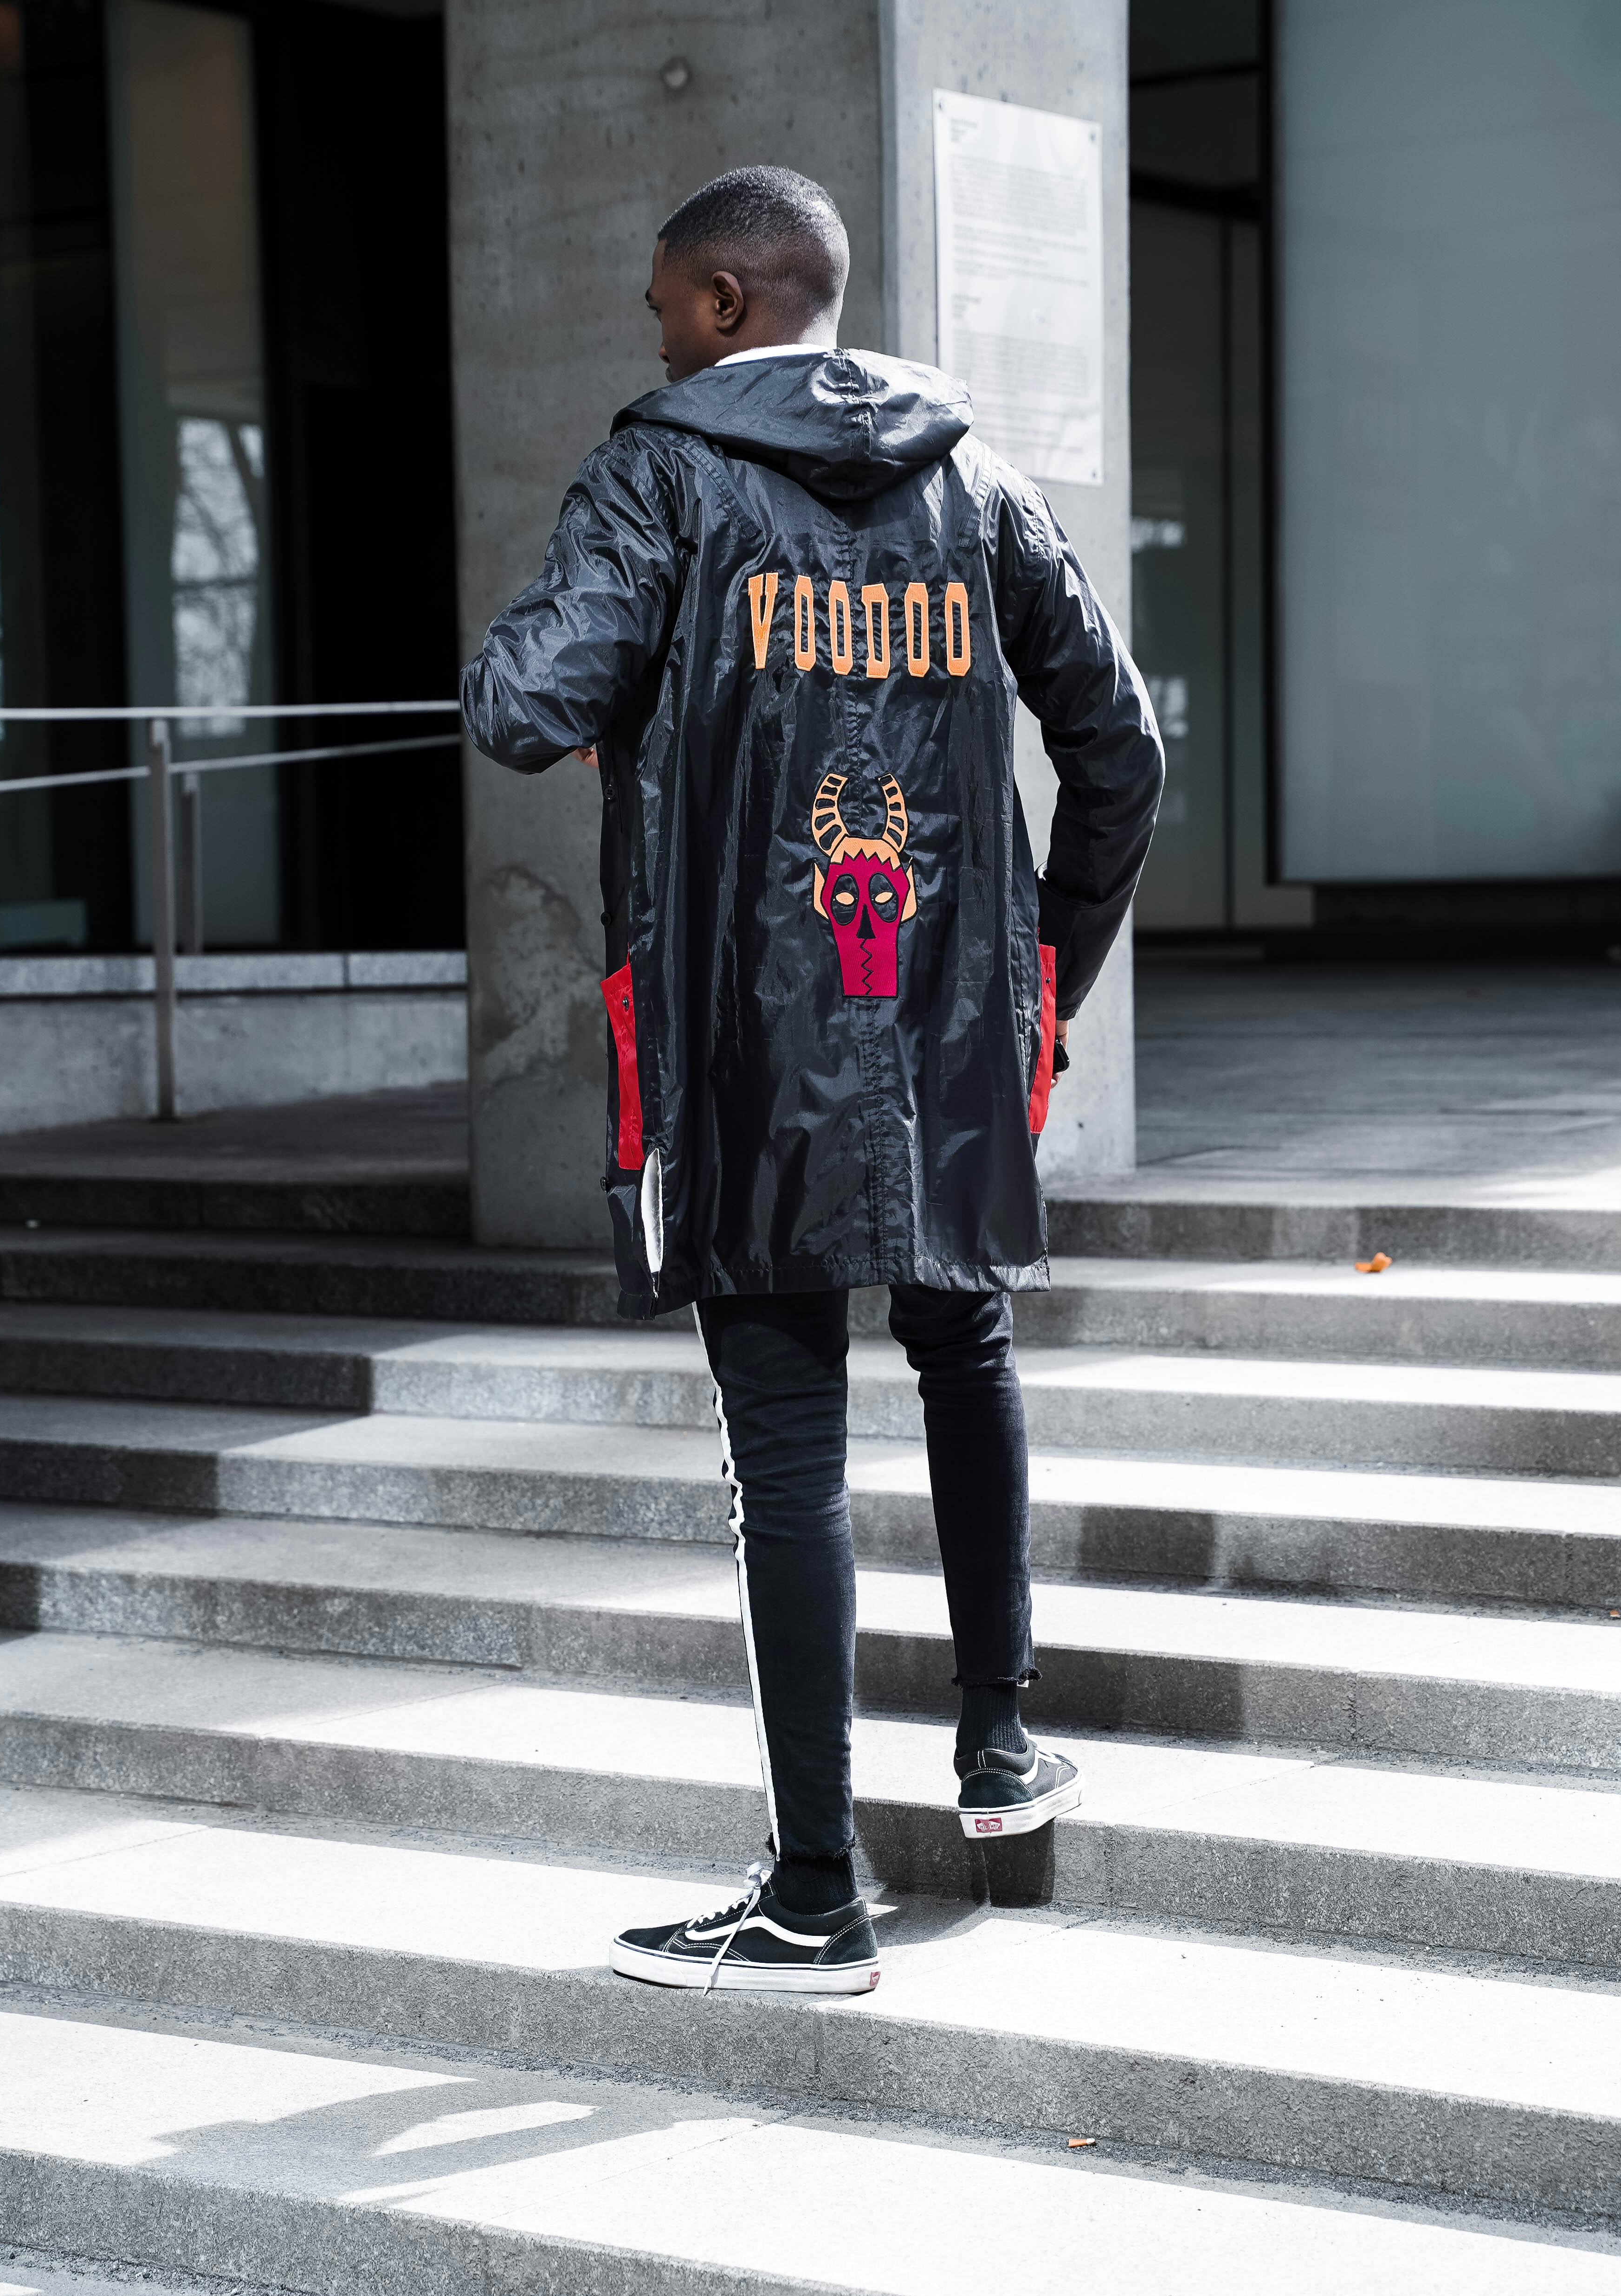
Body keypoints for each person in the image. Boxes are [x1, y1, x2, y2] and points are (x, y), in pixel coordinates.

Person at [461, 166, 1163, 1996]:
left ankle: (811, 1895)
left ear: (714, 299)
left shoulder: (661, 468)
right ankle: (999, 1758)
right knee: (966, 1342)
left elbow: (530, 699)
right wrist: (1042, 986)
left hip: (746, 1032)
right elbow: (1122, 749)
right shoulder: (979, 480)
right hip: (944, 1023)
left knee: (785, 1442)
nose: (650, 331)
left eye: (654, 301)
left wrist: (535, 654)